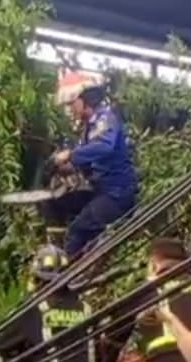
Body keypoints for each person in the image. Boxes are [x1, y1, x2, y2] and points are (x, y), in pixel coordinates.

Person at [46, 84, 139, 258]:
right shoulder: (88, 128)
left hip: (116, 193)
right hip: (100, 189)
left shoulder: (105, 118)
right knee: (59, 203)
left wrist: (71, 155)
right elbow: (87, 161)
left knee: (78, 231)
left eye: (72, 103)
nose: (70, 109)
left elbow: (104, 147)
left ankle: (67, 277)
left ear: (84, 101)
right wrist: (65, 167)